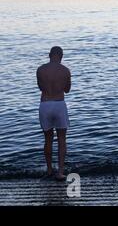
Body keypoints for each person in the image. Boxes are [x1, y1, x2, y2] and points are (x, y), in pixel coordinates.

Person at [36, 46, 71, 181]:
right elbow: (67, 90)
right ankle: (60, 172)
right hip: (59, 104)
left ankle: (49, 170)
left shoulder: (40, 69)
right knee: (62, 139)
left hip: (45, 104)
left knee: (48, 139)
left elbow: (40, 87)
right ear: (61, 56)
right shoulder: (65, 70)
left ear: (49, 55)